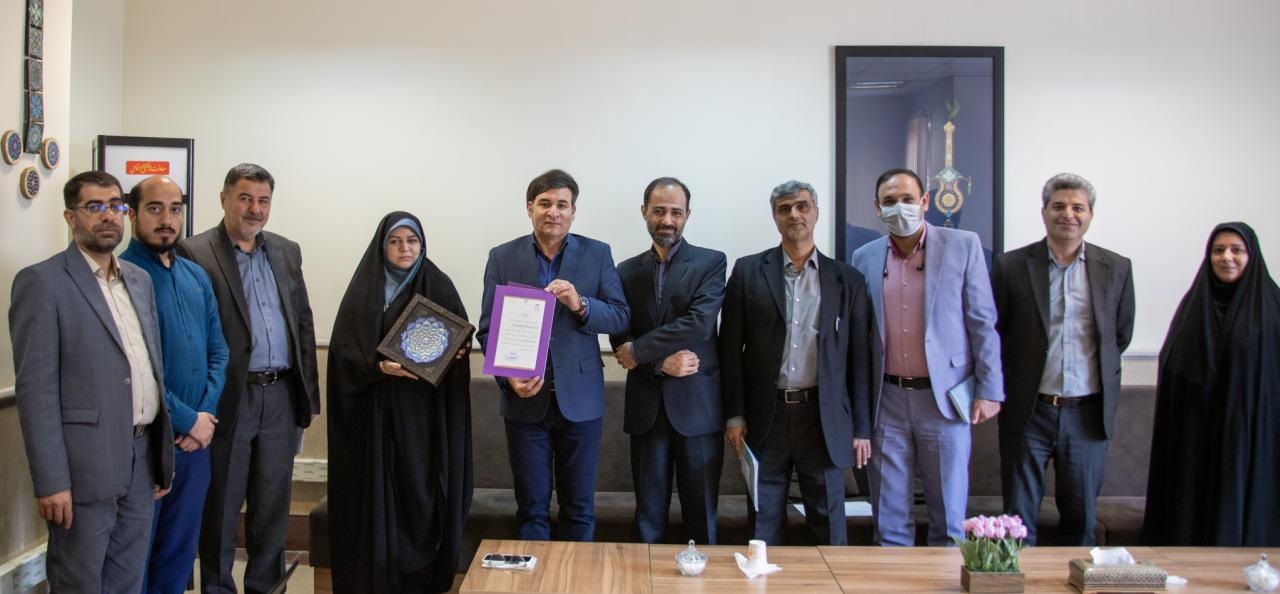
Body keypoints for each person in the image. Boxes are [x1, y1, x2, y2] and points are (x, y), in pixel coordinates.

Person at [9, 171, 174, 592]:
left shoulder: (137, 280)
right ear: (71, 217)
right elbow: (36, 392)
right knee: (80, 583)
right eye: (94, 206)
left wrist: (160, 456)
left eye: (115, 206)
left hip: (140, 459)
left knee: (128, 582)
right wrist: (52, 482)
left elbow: (150, 369)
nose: (108, 216)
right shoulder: (42, 282)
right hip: (84, 469)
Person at [178, 163, 321, 593]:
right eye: (245, 198)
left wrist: (307, 399)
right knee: (221, 504)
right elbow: (190, 337)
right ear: (224, 198)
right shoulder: (195, 252)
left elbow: (302, 323)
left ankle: (266, 587)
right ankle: (217, 587)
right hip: (228, 399)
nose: (255, 209)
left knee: (272, 506)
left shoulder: (286, 251)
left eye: (263, 200)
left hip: (280, 395)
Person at [850, 168, 1003, 546]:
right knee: (889, 520)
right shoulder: (864, 257)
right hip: (886, 400)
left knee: (949, 518)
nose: (899, 208)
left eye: (907, 199)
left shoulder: (963, 245)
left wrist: (990, 390)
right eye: (889, 201)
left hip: (944, 398)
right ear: (877, 208)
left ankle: (946, 575)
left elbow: (983, 322)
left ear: (924, 202)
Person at [476, 169, 630, 541]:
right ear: (529, 208)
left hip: (581, 400)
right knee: (531, 510)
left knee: (579, 509)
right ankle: (536, 573)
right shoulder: (502, 256)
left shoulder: (597, 253)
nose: (553, 212)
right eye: (545, 203)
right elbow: (488, 329)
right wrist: (508, 378)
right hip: (525, 401)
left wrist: (580, 304)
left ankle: (576, 574)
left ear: (574, 211)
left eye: (562, 204)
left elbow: (620, 316)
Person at [720, 180, 874, 546]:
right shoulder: (748, 271)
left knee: (828, 523)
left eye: (803, 206)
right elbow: (730, 350)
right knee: (763, 523)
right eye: (785, 208)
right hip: (766, 417)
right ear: (775, 216)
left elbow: (860, 358)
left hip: (824, 417)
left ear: (816, 212)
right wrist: (735, 415)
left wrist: (862, 427)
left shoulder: (847, 279)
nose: (794, 214)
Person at [327, 212, 473, 592]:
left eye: (412, 241)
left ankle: (420, 577)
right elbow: (343, 354)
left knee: (420, 494)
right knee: (379, 496)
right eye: (395, 241)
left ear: (422, 245)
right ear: (382, 246)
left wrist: (457, 352)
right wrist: (379, 367)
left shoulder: (438, 285)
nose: (404, 248)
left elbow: (458, 340)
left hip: (423, 418)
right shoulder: (364, 290)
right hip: (374, 416)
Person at [990, 173, 1134, 545]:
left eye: (1077, 207)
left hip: (1087, 414)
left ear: (1090, 215)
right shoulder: (1010, 266)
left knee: (1080, 521)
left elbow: (1119, 335)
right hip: (1029, 411)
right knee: (1017, 523)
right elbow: (995, 332)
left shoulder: (1116, 267)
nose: (1068, 214)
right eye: (1058, 206)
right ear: (1044, 212)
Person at [121, 176, 231, 592]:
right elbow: (136, 368)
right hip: (148, 442)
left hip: (196, 444)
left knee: (179, 554)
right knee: (137, 558)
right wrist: (186, 420)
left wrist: (204, 417)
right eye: (154, 209)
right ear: (132, 215)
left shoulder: (195, 276)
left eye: (175, 209)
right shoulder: (124, 277)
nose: (167, 219)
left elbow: (219, 352)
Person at [1143, 222, 1280, 546]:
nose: (1226, 257)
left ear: (1252, 256)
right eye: (1218, 250)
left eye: (1236, 250)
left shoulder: (1272, 311)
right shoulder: (1193, 307)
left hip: (1250, 439)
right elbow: (1173, 365)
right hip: (1195, 438)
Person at [609, 177, 727, 544]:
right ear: (644, 212)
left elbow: (698, 323)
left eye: (676, 212)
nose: (668, 220)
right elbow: (620, 338)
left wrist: (640, 351)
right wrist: (659, 364)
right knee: (648, 519)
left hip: (698, 410)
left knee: (702, 518)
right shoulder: (625, 271)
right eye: (659, 211)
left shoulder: (711, 262)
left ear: (688, 215)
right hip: (647, 411)